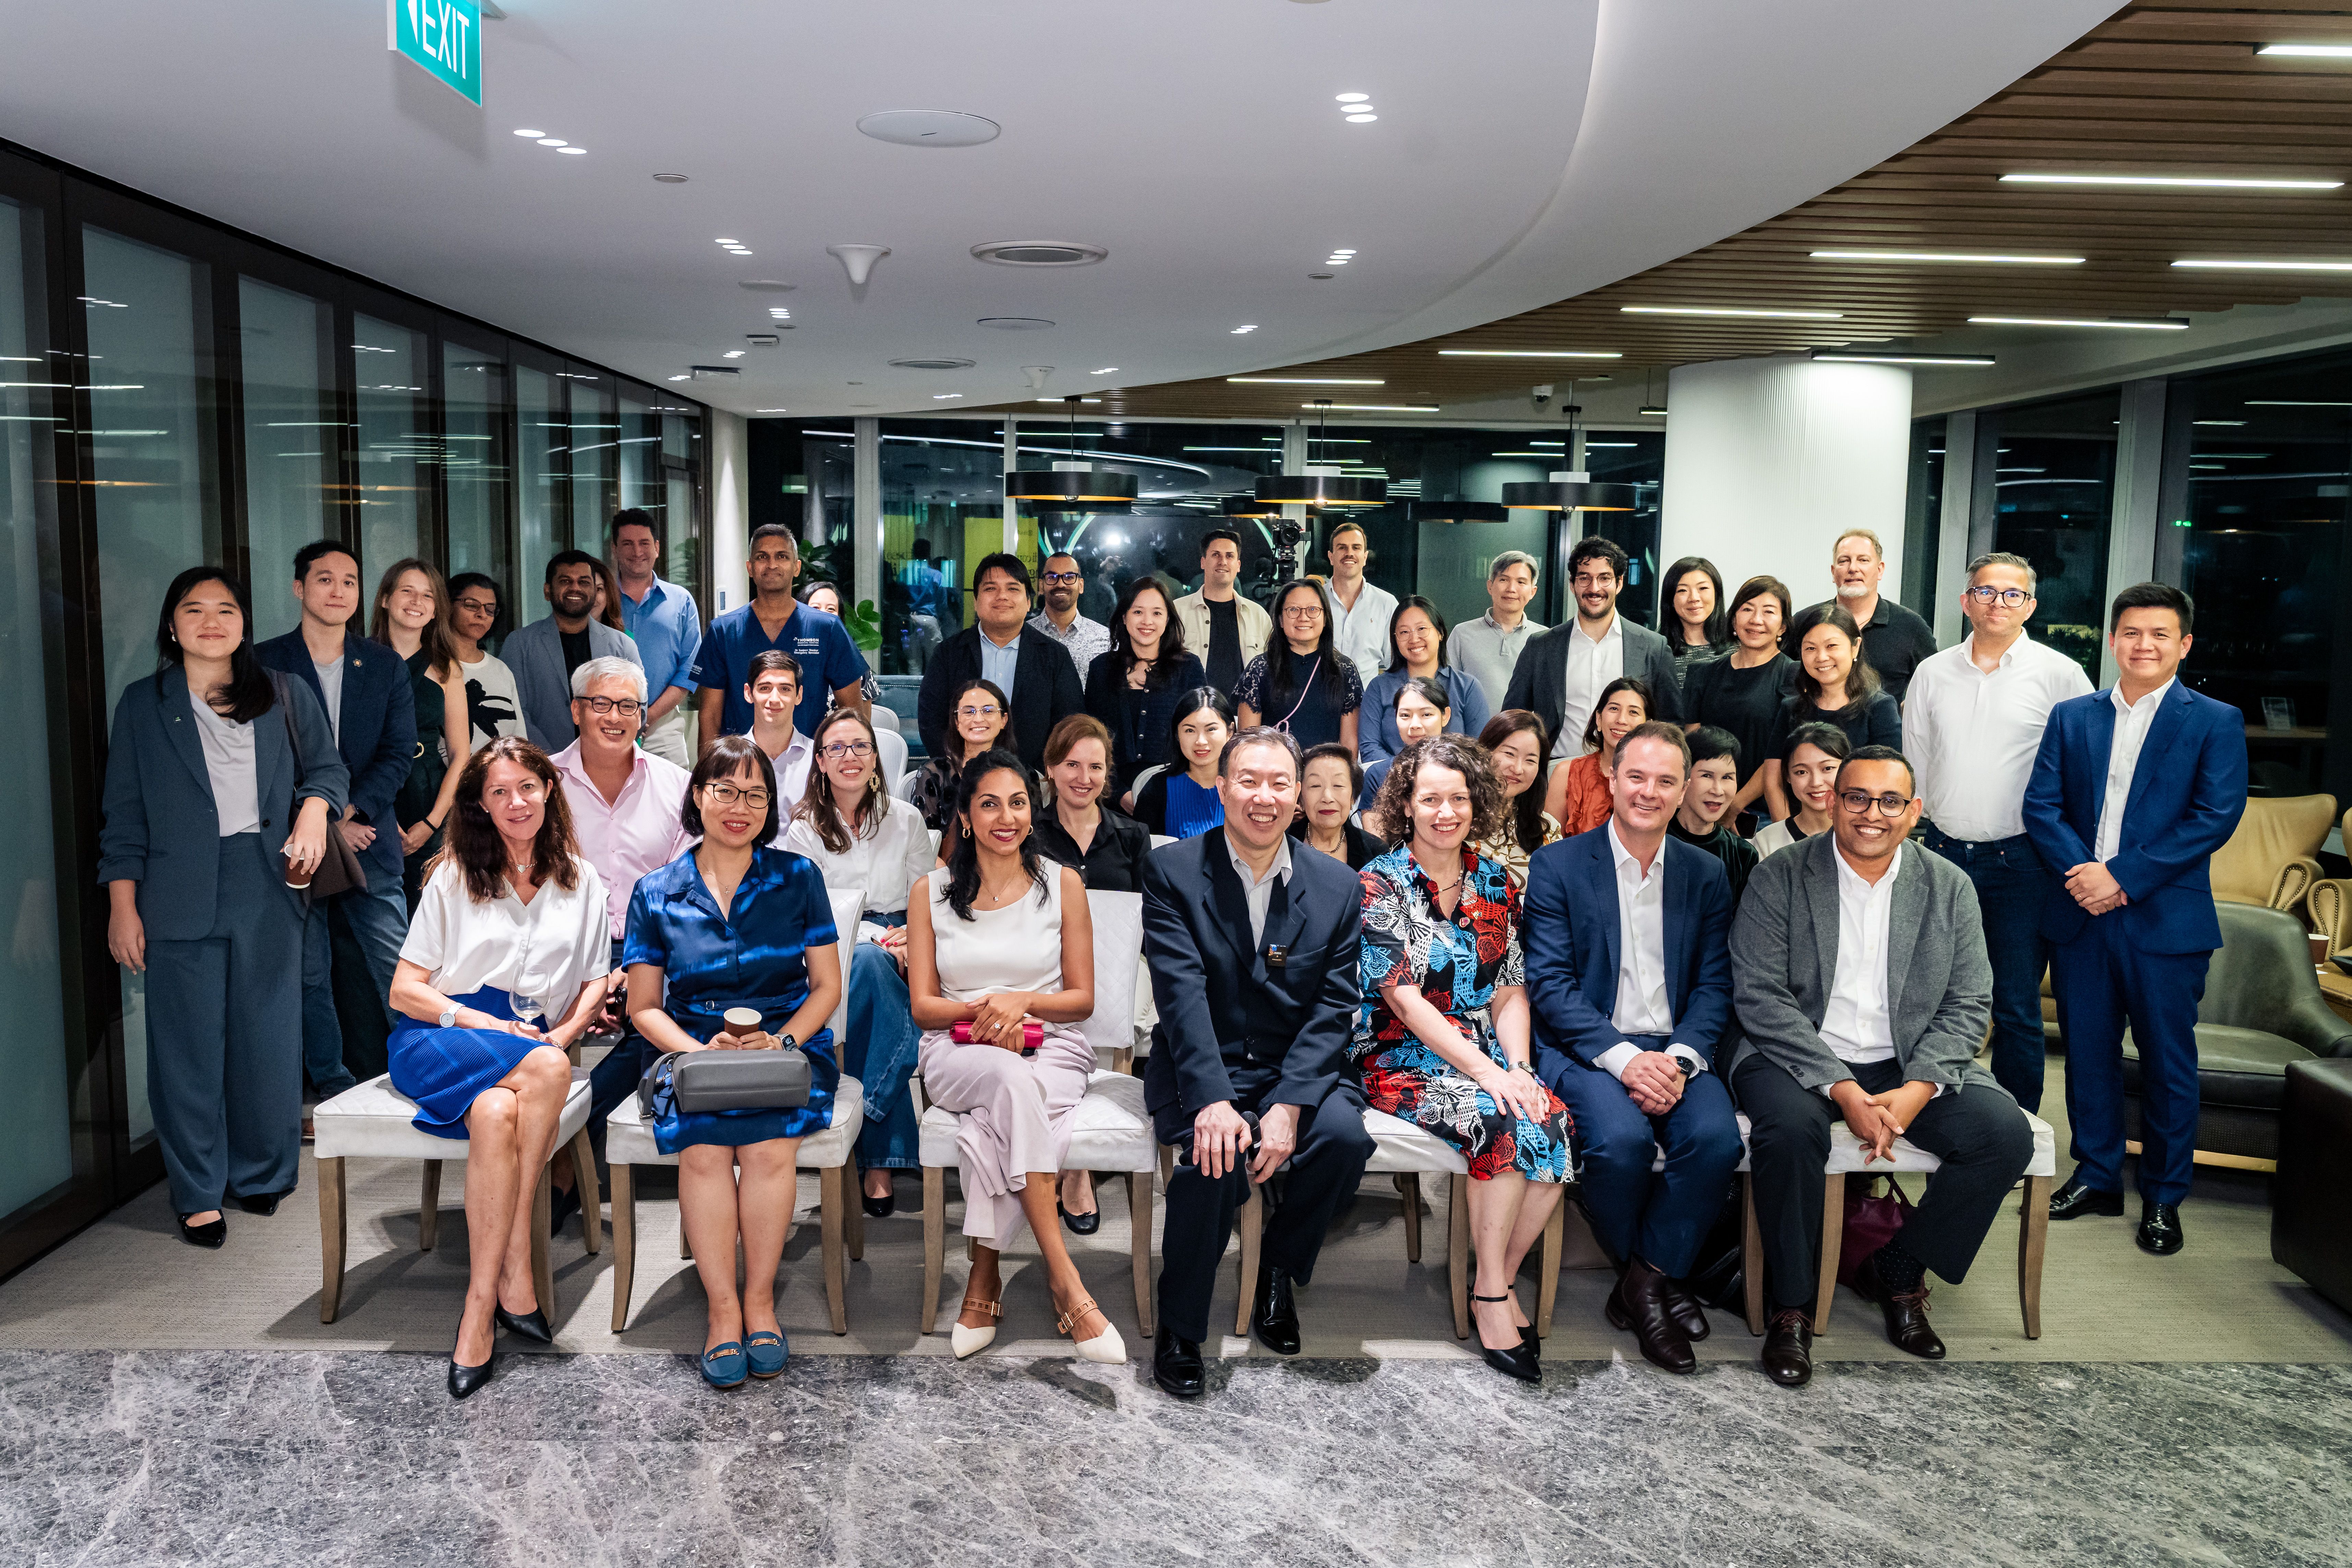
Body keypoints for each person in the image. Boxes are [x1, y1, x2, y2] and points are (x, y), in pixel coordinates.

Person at [1729, 745, 2035, 1387]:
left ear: (1914, 810)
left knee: (2002, 1133)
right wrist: (1840, 1087)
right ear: (1834, 801)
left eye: (1891, 800)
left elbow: (1969, 999)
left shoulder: (1949, 884)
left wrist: (1920, 1087)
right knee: (1788, 1132)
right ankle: (1793, 1304)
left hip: (1907, 1056)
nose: (1873, 813)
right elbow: (1760, 995)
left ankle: (1899, 1271)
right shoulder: (1780, 874)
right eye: (1858, 797)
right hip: (1797, 1053)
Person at [102, 568, 347, 1248]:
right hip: (175, 891)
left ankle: (262, 1173)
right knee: (187, 1050)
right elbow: (122, 818)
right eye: (195, 609)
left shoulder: (283, 693)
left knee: (268, 1038)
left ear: (244, 623)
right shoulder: (143, 705)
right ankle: (197, 1190)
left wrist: (314, 814)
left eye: (227, 609)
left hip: (267, 884)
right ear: (171, 626)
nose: (212, 621)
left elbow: (328, 769)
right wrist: (124, 906)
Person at [1144, 726, 1376, 1395]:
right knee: (1211, 1160)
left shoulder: (1336, 885)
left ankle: (1279, 1264)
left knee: (1340, 1138)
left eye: (1280, 784)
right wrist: (1213, 1096)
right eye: (1248, 781)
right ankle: (1181, 1325)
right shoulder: (1173, 871)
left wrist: (1290, 1102)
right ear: (1222, 788)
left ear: (1298, 797)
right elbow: (1180, 993)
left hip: (1292, 1064)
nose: (1264, 797)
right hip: (1202, 1058)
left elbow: (1333, 1007)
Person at [2024, 583, 2248, 1258]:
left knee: (2166, 1063)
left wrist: (2119, 877)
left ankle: (2162, 1195)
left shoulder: (2213, 720)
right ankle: (2095, 1176)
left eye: (2158, 635)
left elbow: (2213, 818)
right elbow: (2041, 807)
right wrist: (2085, 877)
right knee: (2087, 1055)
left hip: (2164, 922)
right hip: (2080, 915)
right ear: (2112, 639)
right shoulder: (2072, 716)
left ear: (2181, 645)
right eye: (2130, 633)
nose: (2142, 645)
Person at [385, 738, 612, 1398]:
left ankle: (479, 1310)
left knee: (496, 1111)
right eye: (499, 792)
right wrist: (481, 1023)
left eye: (528, 787)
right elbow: (405, 990)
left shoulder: (581, 877)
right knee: (543, 1070)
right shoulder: (454, 875)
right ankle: (515, 1274)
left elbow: (597, 980)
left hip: (533, 1043)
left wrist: (563, 1036)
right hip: (442, 1033)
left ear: (550, 790)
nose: (516, 802)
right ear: (481, 806)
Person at [623, 735, 844, 1388]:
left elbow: (826, 987)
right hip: (691, 1049)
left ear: (770, 805)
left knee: (771, 1148)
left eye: (755, 793)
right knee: (705, 1151)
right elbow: (643, 1006)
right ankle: (723, 1311)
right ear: (698, 795)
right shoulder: (657, 890)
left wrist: (781, 1043)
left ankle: (760, 1300)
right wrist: (699, 1053)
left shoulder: (797, 877)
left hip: (785, 1044)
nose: (739, 805)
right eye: (725, 789)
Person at [1524, 722, 1742, 1375]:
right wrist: (1625, 1058)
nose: (1649, 791)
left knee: (1716, 1140)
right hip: (1588, 1047)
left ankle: (1643, 1283)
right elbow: (1551, 985)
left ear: (1685, 793)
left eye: (1666, 781)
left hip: (1676, 1049)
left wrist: (1676, 1060)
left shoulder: (1706, 874)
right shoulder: (1559, 864)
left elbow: (1714, 984)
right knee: (1616, 1143)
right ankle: (1661, 1282)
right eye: (1637, 776)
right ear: (1611, 780)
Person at [1361, 737, 1578, 1387]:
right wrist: (1490, 1076)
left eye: (1458, 797)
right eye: (1430, 798)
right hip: (1399, 1053)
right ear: (1407, 804)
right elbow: (1401, 998)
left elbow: (1511, 989)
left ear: (1477, 802)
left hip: (1482, 1051)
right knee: (1503, 1122)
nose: (1445, 810)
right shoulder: (1381, 881)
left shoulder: (1495, 880)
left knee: (1552, 1117)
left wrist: (1519, 1067)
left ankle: (1493, 1276)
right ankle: (1490, 1296)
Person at [907, 750, 1123, 1363]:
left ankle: (985, 1273)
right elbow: (924, 1006)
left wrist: (1020, 1001)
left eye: (1019, 802)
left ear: (1034, 810)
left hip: (1051, 1046)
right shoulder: (932, 891)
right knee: (1006, 1079)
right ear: (966, 818)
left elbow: (1079, 1000)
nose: (1007, 816)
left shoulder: (1064, 884)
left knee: (996, 1112)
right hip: (956, 1048)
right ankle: (1065, 1277)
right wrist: (986, 1014)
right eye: (990, 804)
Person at [1904, 552, 2093, 1112]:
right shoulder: (1933, 671)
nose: (1997, 602)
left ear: (2030, 605)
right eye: (1985, 591)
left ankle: (2013, 1137)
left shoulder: (2060, 674)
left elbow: (2082, 771)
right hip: (1939, 856)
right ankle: (1930, 1121)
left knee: (2014, 1005)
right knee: (1930, 1000)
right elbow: (1914, 764)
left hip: (2023, 863)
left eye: (2012, 594)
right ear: (1966, 601)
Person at [255, 541, 416, 1106]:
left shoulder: (383, 664)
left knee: (399, 969)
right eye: (325, 579)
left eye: (349, 581)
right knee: (309, 974)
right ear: (299, 587)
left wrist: (346, 811)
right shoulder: (262, 662)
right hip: (291, 847)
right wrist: (317, 819)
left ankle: (427, 1076)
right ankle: (331, 1088)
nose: (338, 591)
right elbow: (258, 759)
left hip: (368, 839)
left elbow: (399, 754)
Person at [549, 655, 691, 1225]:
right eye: (602, 703)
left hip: (648, 948)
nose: (615, 716)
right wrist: (590, 976)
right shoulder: (541, 785)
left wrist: (637, 964)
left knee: (671, 1012)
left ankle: (566, 1143)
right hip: (564, 948)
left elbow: (686, 887)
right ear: (577, 710)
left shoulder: (678, 786)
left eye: (628, 705)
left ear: (643, 716)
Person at [784, 707, 935, 1218]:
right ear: (820, 763)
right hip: (834, 943)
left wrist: (912, 939)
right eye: (837, 748)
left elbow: (926, 897)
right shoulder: (804, 829)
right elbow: (814, 908)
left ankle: (858, 1123)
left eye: (861, 747)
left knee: (880, 972)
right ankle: (880, 1153)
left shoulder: (907, 819)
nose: (850, 757)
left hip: (905, 938)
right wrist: (880, 939)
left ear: (876, 759)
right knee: (871, 965)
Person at [1504, 536, 1681, 781]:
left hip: (1630, 777)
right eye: (1584, 578)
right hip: (1557, 775)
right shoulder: (1541, 646)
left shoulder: (1653, 647)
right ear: (1572, 584)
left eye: (1605, 578)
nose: (1594, 588)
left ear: (1619, 583)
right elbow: (1513, 718)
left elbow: (1671, 725)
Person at [694, 524, 868, 751]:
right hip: (739, 768)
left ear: (797, 567)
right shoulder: (724, 632)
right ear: (750, 567)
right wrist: (710, 776)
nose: (772, 564)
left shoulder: (826, 628)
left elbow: (852, 712)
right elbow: (709, 716)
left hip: (809, 767)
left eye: (782, 556)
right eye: (762, 557)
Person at [913, 553, 1084, 775]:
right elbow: (931, 721)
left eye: (1013, 588)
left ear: (1029, 602)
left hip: (1035, 784)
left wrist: (1041, 775)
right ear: (975, 601)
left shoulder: (1055, 656)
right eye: (991, 588)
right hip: (961, 781)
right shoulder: (949, 653)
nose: (1002, 596)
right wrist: (957, 767)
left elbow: (1069, 724)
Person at [373, 559, 472, 907]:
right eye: (407, 592)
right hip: (375, 795)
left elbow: (462, 754)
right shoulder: (359, 660)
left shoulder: (447, 668)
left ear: (436, 611)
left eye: (427, 596)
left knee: (430, 913)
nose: (417, 602)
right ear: (385, 599)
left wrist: (431, 824)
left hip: (429, 795)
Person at [1763, 603, 1900, 822]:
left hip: (1858, 827)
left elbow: (1889, 782)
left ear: (1855, 648)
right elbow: (1773, 780)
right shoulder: (1791, 707)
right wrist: (1789, 836)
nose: (1821, 657)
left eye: (1832, 646)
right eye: (1810, 648)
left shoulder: (1880, 707)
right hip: (1800, 828)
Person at [1680, 575, 1796, 830]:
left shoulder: (1794, 676)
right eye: (1747, 609)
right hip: (1705, 807)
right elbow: (1695, 748)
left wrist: (1735, 804)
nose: (1756, 620)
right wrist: (1717, 801)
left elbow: (1782, 754)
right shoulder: (1702, 674)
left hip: (1762, 815)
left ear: (1783, 626)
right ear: (1734, 619)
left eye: (1769, 612)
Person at [503, 551, 644, 750]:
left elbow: (639, 708)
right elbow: (515, 713)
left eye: (584, 582)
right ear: (547, 591)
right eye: (565, 581)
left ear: (595, 592)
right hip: (541, 765)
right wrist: (551, 762)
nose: (575, 588)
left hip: (608, 761)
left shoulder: (622, 645)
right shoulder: (519, 645)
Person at [1084, 576, 1207, 797]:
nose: (1147, 621)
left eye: (1157, 613)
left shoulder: (1189, 667)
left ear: (1168, 619)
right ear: (1124, 617)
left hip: (1176, 793)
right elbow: (1090, 737)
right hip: (1111, 793)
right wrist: (1120, 794)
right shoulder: (1101, 668)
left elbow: (1201, 736)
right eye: (1138, 612)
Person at [1785, 529, 1938, 705]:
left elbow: (1935, 687)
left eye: (1863, 560)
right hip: (1814, 729)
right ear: (1834, 572)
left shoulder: (1911, 626)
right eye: (1844, 561)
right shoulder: (1805, 621)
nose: (1853, 569)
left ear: (1880, 570)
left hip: (1882, 730)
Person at [609, 509, 704, 768]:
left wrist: (647, 716)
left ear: (657, 547)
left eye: (644, 543)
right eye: (627, 543)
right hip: (608, 722)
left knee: (674, 801)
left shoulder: (681, 601)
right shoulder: (602, 600)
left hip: (662, 726)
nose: (637, 551)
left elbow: (690, 669)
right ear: (615, 549)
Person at [1236, 579, 1363, 754]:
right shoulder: (1259, 669)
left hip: (1323, 774)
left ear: (1325, 618)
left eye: (1313, 610)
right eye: (1293, 610)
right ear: (1280, 619)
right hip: (1274, 773)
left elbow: (1350, 743)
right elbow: (1247, 742)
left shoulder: (1344, 669)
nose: (1303, 618)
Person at [1360, 596, 1490, 765]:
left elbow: (1480, 748)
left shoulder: (1467, 687)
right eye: (1404, 632)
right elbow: (1369, 748)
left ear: (1440, 633)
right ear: (1395, 639)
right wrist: (1407, 775)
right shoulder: (1379, 687)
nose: (1414, 639)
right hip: (1392, 782)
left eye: (1422, 629)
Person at [1032, 714, 1152, 894]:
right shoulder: (1028, 834)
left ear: (1106, 774)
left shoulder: (1134, 836)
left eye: (1095, 767)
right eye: (1073, 765)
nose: (1084, 779)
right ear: (1051, 769)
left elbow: (1146, 912)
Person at [1544, 675, 1651, 836]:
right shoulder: (1566, 774)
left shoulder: (1656, 779)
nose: (1621, 720)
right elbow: (1550, 845)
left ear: (1648, 725)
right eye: (1614, 709)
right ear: (1599, 719)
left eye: (1633, 712)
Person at [1171, 529, 1270, 698]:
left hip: (1244, 717)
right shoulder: (1177, 611)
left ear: (1238, 565)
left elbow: (1272, 669)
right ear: (1203, 562)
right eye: (1216, 555)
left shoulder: (1257, 615)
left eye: (1230, 556)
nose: (1223, 561)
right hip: (1192, 714)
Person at [1669, 727, 1760, 911]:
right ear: (1684, 779)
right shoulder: (1655, 840)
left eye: (1727, 777)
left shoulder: (1743, 855)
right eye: (1707, 776)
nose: (1718, 790)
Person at [1448, 550, 1546, 717]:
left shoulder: (1546, 639)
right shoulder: (1462, 634)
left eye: (1521, 582)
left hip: (1522, 739)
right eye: (1504, 580)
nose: (1512, 589)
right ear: (1490, 587)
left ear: (1533, 592)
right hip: (1470, 739)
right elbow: (1448, 694)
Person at [907, 678, 1010, 834]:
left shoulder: (1022, 774)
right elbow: (921, 841)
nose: (978, 719)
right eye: (969, 712)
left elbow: (1030, 840)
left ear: (1004, 720)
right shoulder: (935, 774)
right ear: (956, 721)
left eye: (988, 711)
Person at [1132, 687, 1234, 839]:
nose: (1201, 741)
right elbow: (1144, 855)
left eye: (1211, 729)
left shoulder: (1248, 786)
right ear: (1177, 735)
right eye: (1190, 731)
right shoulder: (1157, 789)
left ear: (1230, 732)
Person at [1473, 710, 1559, 887]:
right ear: (1484, 752)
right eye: (1510, 754)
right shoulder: (1457, 820)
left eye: (1530, 760)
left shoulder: (1549, 829)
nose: (1518, 769)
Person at [1357, 676, 1453, 829]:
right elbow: (1376, 842)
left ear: (1445, 716)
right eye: (1405, 716)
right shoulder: (1378, 775)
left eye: (1426, 715)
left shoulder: (1463, 769)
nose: (1415, 725)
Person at [447, 572, 527, 749]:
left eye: (490, 609)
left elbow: (519, 739)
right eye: (471, 605)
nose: (482, 614)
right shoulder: (431, 666)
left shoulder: (501, 670)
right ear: (447, 606)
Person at [1752, 723, 1849, 858]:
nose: (1816, 783)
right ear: (1788, 776)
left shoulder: (1864, 833)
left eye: (1827, 769)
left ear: (1847, 769)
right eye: (1802, 772)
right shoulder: (1767, 841)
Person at [1323, 521, 1397, 686]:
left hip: (1367, 705)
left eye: (1356, 548)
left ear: (1365, 557)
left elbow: (1395, 663)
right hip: (1319, 702)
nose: (1349, 553)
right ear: (1331, 557)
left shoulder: (1386, 603)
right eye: (1342, 548)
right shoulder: (1316, 601)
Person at [1290, 742, 1383, 870]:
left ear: (1352, 797)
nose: (1327, 798)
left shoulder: (1378, 853)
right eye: (1315, 786)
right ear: (1300, 798)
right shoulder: (1280, 844)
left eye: (1338, 786)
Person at [743, 650, 816, 815]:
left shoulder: (819, 759)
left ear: (799, 695)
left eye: (785, 689)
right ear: (749, 693)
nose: (775, 699)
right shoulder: (729, 760)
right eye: (765, 688)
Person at [800, 582, 886, 707]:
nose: (823, 615)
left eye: (831, 609)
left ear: (840, 618)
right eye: (816, 608)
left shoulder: (855, 662)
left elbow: (862, 723)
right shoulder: (788, 654)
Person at [1028, 551, 1111, 680]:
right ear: (1041, 586)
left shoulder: (1105, 639)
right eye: (1052, 577)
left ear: (1081, 585)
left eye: (1069, 577)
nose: (1061, 584)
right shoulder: (1024, 636)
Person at [1661, 555, 1731, 675]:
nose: (1694, 598)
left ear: (1717, 594)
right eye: (1683, 590)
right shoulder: (1658, 653)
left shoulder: (1738, 650)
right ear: (1670, 600)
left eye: (1703, 588)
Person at [587, 556, 628, 636]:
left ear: (608, 593)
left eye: (599, 589)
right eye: (584, 589)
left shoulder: (625, 639)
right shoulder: (556, 636)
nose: (592, 598)